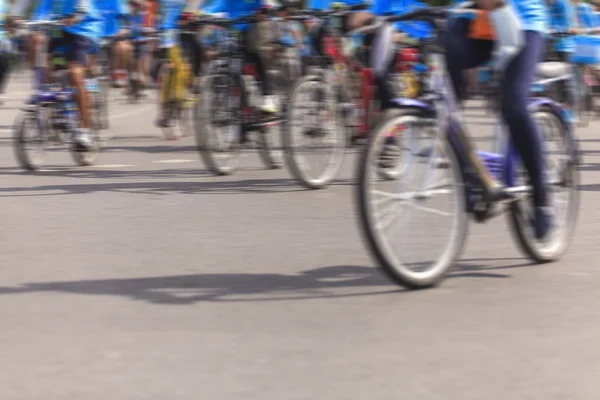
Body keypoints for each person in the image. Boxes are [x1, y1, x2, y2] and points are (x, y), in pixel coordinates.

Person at [445, 0, 554, 239]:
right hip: (476, 22)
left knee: (513, 105)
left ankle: (541, 195)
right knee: (443, 103)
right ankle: (471, 175)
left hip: (524, 22)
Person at [30, 0, 104, 151]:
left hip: (83, 29)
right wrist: (29, 24)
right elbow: (41, 11)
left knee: (75, 73)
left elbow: (83, 5)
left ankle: (85, 130)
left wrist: (77, 15)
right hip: (60, 30)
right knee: (45, 60)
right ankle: (57, 103)